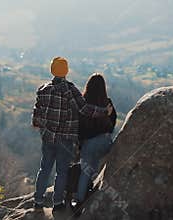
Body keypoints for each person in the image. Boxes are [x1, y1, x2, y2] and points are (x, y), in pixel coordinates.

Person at [31, 57, 113, 212]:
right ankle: (57, 204)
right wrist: (105, 112)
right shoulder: (70, 90)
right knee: (61, 172)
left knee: (44, 169)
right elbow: (85, 110)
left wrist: (43, 127)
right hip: (65, 139)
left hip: (47, 138)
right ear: (66, 71)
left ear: (52, 70)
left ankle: (38, 201)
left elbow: (36, 116)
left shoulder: (43, 89)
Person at [71, 73, 117, 215]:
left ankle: (79, 201)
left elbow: (78, 128)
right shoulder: (107, 102)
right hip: (104, 142)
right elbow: (112, 125)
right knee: (95, 165)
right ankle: (91, 191)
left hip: (88, 143)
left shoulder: (83, 103)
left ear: (88, 86)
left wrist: (79, 146)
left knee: (86, 170)